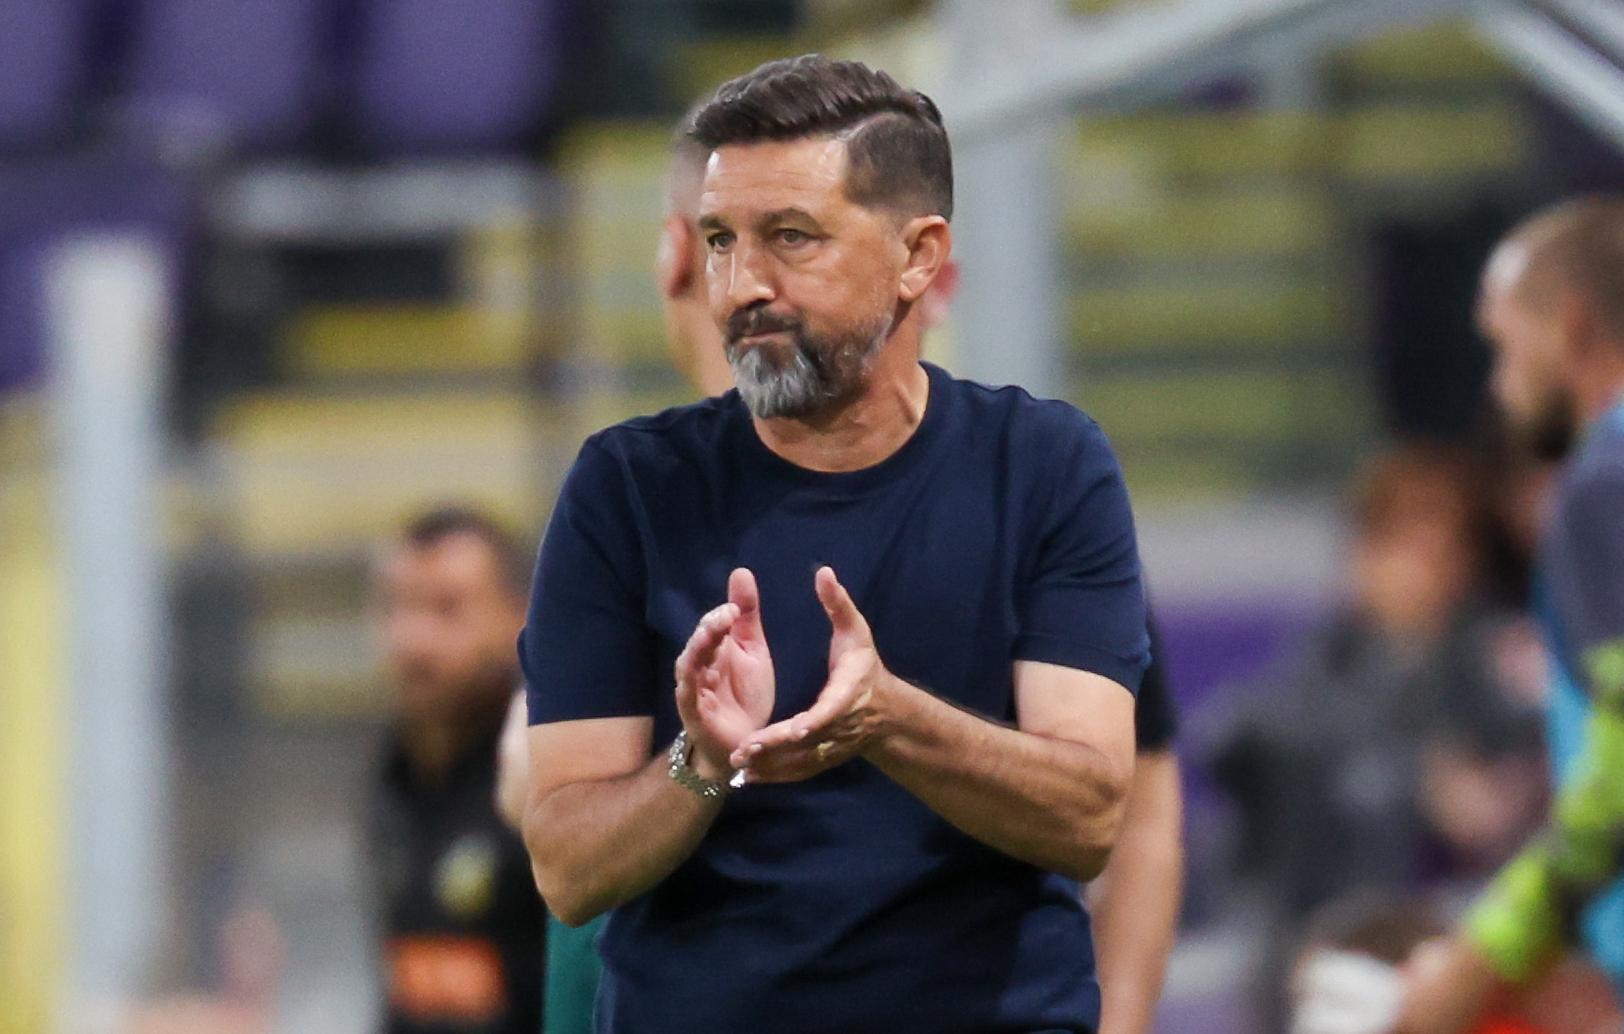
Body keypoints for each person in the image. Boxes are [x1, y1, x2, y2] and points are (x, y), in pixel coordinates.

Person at [518, 54, 1148, 1034]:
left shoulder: (1044, 466)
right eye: (721, 240)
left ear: (918, 255)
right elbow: (564, 866)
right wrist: (702, 758)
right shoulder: (627, 488)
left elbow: (1090, 815)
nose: (742, 285)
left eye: (791, 238)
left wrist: (890, 720)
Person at [1396, 197, 1624, 1032]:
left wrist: (1488, 952)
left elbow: (1622, 757)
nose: (1499, 384)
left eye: (1503, 346)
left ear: (1568, 326)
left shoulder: (1604, 485)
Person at [368, 507, 546, 1034]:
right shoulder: (396, 773)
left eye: (448, 609)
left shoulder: (538, 767)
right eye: (396, 607)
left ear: (519, 616)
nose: (413, 641)